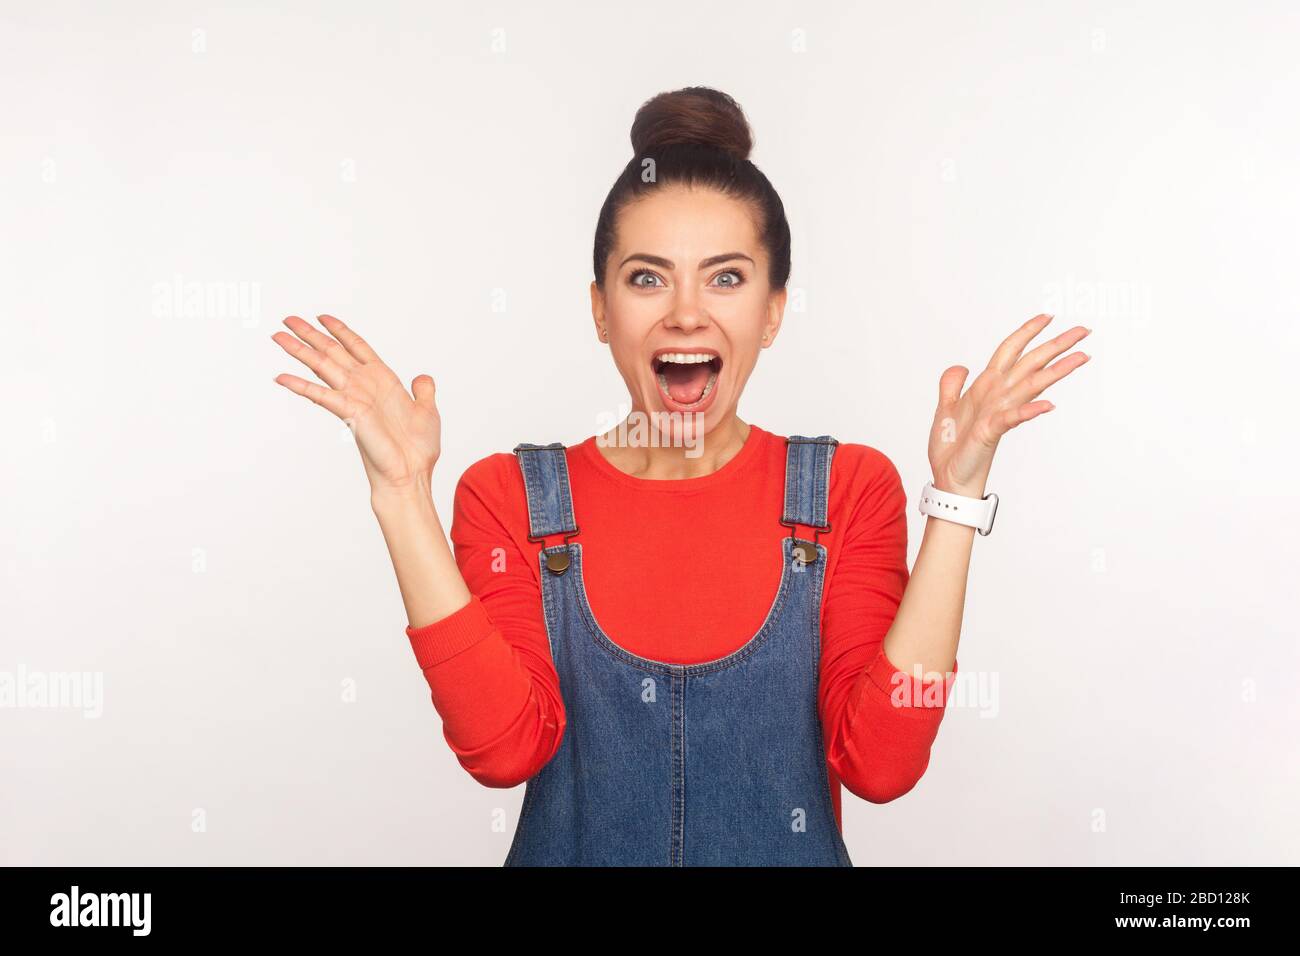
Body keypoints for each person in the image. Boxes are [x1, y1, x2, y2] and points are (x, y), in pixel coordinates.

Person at [271, 86, 1090, 866]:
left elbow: (883, 765)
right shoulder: (508, 499)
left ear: (772, 310)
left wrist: (956, 498)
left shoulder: (848, 491)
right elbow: (504, 751)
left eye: (727, 277)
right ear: (601, 309)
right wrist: (401, 496)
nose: (687, 313)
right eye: (647, 277)